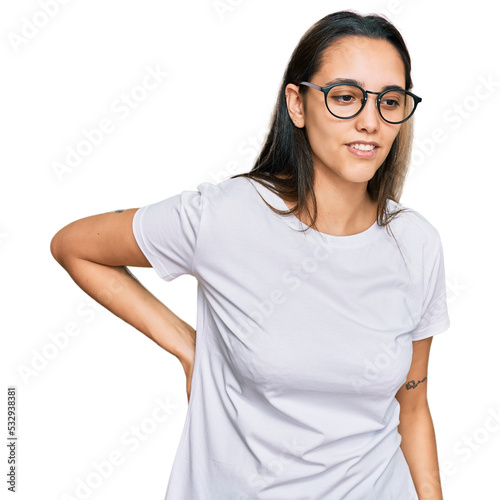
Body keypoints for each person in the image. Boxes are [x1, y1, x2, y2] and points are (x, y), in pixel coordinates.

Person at [50, 10, 450, 500]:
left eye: (390, 101)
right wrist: (187, 346)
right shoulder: (226, 218)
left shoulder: (416, 244)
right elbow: (74, 247)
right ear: (297, 104)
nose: (371, 122)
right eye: (345, 97)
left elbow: (412, 410)